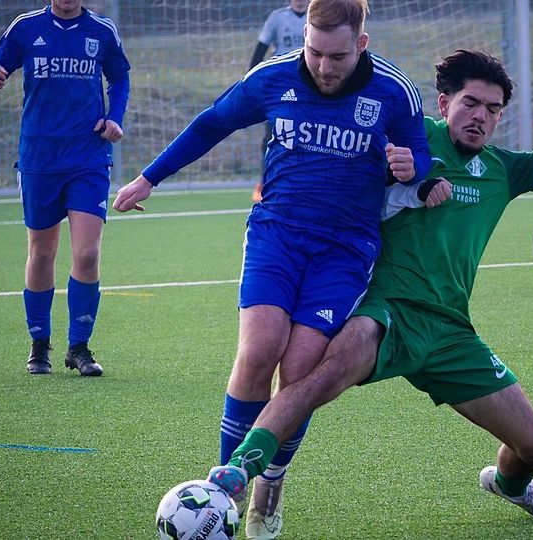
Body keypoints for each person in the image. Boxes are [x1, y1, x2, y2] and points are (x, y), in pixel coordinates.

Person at [206, 29, 533, 521]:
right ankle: (242, 474)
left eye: (492, 108)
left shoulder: (504, 169)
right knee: (319, 376)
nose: (480, 115)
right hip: (386, 312)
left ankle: (509, 486)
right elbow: (343, 186)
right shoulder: (405, 136)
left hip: (449, 332)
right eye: (470, 102)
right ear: (444, 103)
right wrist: (400, 180)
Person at [113, 1, 430, 537]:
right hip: (276, 235)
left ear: (363, 44)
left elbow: (420, 157)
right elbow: (211, 123)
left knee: (300, 370)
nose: (325, 67)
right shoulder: (273, 78)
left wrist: (411, 167)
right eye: (314, 51)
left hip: (346, 250)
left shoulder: (394, 91)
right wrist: (149, 178)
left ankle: (269, 484)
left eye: (338, 56)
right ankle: (223, 490)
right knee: (259, 350)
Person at [0, 0, 130, 376]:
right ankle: (39, 345)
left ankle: (78, 347)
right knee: (42, 252)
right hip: (40, 159)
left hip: (88, 158)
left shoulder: (102, 31)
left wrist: (114, 117)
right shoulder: (26, 28)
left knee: (88, 254)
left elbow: (120, 78)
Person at [249, 0, 309, 203]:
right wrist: (252, 80)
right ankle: (264, 182)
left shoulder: (319, 15)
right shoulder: (277, 18)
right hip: (280, 85)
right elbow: (260, 50)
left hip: (311, 86)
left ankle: (305, 181)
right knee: (272, 134)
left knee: (310, 133)